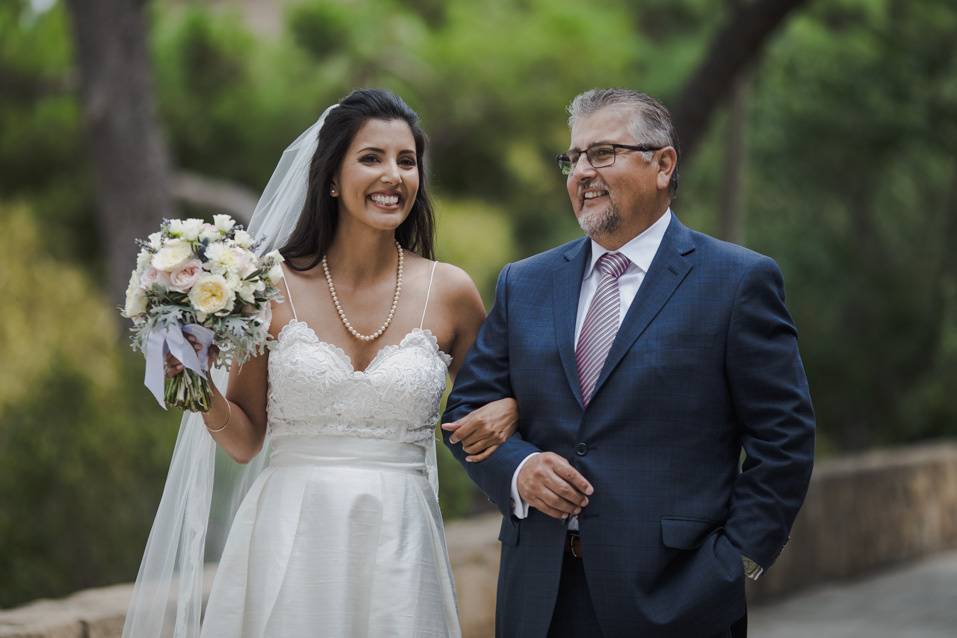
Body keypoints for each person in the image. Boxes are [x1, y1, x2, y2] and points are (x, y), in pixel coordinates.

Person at [124, 89, 517, 638]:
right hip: (288, 537)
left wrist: (510, 408)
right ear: (333, 176)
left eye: (407, 162)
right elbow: (245, 442)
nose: (394, 175)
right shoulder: (269, 287)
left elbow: (498, 399)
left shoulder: (450, 291)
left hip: (402, 542)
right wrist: (195, 386)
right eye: (371, 158)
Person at [442, 88, 816, 638]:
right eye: (573, 159)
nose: (581, 173)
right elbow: (468, 410)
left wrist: (734, 561)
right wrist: (520, 470)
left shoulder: (737, 281)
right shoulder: (525, 282)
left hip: (679, 596)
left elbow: (784, 439)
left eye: (602, 154)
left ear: (663, 164)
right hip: (539, 596)